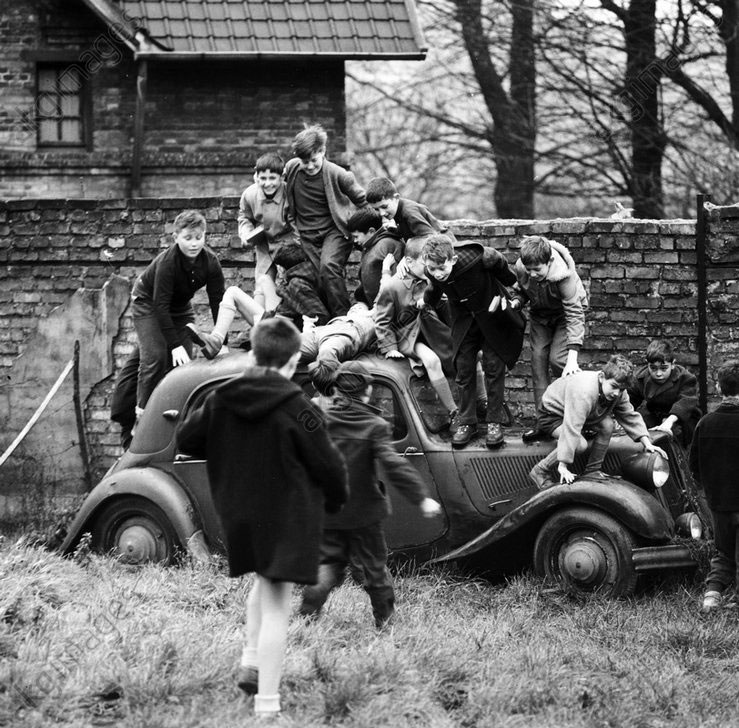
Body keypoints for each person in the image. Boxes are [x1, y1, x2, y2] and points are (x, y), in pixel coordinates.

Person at [176, 317, 348, 719]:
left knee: (263, 578)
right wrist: (337, 501)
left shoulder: (221, 397)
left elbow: (187, 438)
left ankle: (251, 661)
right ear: (292, 363)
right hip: (286, 517)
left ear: (253, 353)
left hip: (238, 513)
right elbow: (329, 464)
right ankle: (267, 707)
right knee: (276, 603)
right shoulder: (299, 408)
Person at [299, 360, 441, 628]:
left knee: (327, 566)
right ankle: (385, 624)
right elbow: (395, 465)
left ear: (338, 390)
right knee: (375, 569)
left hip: (329, 513)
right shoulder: (374, 425)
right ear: (366, 392)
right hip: (364, 515)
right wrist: (421, 497)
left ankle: (306, 615)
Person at [422, 233, 525, 449]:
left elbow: (504, 270)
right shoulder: (431, 272)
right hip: (463, 320)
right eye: (432, 269)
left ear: (453, 260)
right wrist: (425, 302)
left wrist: (515, 289)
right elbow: (433, 288)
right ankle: (467, 422)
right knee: (463, 368)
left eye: (442, 268)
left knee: (494, 366)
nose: (438, 274)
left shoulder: (480, 257)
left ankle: (494, 422)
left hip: (491, 315)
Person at [131, 209, 225, 421]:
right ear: (176, 238)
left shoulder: (210, 262)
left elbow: (217, 301)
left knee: (185, 363)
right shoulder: (167, 263)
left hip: (180, 307)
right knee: (155, 358)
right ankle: (142, 416)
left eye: (199, 238)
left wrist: (223, 340)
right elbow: (160, 305)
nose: (194, 244)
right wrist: (174, 345)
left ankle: (178, 413)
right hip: (148, 303)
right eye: (188, 238)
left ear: (205, 236)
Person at [529, 354, 668, 489]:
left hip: (581, 413)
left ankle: (592, 471)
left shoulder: (618, 390)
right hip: (552, 414)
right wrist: (563, 466)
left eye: (621, 390)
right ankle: (541, 469)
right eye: (614, 387)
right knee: (579, 444)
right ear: (602, 377)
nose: (616, 393)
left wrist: (647, 443)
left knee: (608, 425)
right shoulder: (584, 391)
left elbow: (629, 415)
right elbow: (573, 425)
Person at [189, 241, 329, 359]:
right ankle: (216, 340)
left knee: (232, 292)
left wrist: (302, 337)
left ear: (281, 268)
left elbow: (320, 315)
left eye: (278, 268)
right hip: (276, 321)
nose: (278, 272)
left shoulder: (297, 284)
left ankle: (217, 341)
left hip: (279, 333)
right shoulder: (301, 276)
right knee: (258, 282)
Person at [373, 237, 458, 426]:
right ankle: (454, 411)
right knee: (431, 360)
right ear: (408, 262)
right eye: (424, 263)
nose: (430, 268)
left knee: (466, 353)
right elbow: (382, 321)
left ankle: (481, 402)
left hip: (431, 329)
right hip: (408, 336)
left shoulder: (431, 279)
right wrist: (389, 348)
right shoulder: (392, 286)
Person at [284, 124, 367, 317]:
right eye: (305, 161)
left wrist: (375, 224)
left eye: (314, 160)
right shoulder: (291, 169)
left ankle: (343, 319)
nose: (310, 166)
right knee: (313, 278)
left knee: (329, 267)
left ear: (323, 151)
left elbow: (364, 201)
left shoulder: (338, 174)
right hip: (305, 235)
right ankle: (322, 322)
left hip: (334, 232)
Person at [511, 235, 588, 442]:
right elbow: (522, 290)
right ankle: (544, 423)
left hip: (565, 316)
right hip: (540, 316)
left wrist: (573, 357)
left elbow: (575, 315)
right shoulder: (523, 267)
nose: (533, 274)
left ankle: (580, 418)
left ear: (550, 262)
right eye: (529, 270)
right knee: (537, 361)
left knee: (559, 361)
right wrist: (517, 301)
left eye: (538, 269)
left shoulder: (564, 276)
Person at [689, 360, 739, 613]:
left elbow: (694, 465)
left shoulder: (705, 423)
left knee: (723, 552)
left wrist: (709, 491)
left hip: (719, 503)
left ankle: (711, 596)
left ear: (719, 388)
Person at [238, 152, 296, 308]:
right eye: (263, 178)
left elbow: (298, 222)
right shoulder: (249, 195)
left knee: (290, 284)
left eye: (272, 178)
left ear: (281, 177)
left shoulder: (290, 193)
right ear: (256, 176)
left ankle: (287, 322)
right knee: (262, 284)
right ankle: (258, 326)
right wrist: (246, 233)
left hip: (288, 244)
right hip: (264, 244)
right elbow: (244, 218)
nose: (267, 183)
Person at [628, 340, 701, 447]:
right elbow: (629, 401)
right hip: (654, 417)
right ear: (647, 364)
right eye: (653, 368)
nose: (658, 373)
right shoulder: (641, 378)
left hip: (681, 420)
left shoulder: (685, 378)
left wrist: (668, 422)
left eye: (663, 368)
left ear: (672, 364)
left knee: (674, 437)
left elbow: (685, 402)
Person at [347, 207, 404, 306]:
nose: (355, 241)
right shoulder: (370, 245)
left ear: (371, 231)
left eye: (356, 236)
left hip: (388, 307)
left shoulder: (386, 245)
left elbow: (396, 282)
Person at [365, 177, 452, 242]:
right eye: (377, 209)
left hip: (446, 248)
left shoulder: (409, 212)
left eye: (384, 207)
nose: (382, 213)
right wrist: (396, 230)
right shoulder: (397, 211)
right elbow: (410, 230)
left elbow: (429, 238)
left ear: (396, 198)